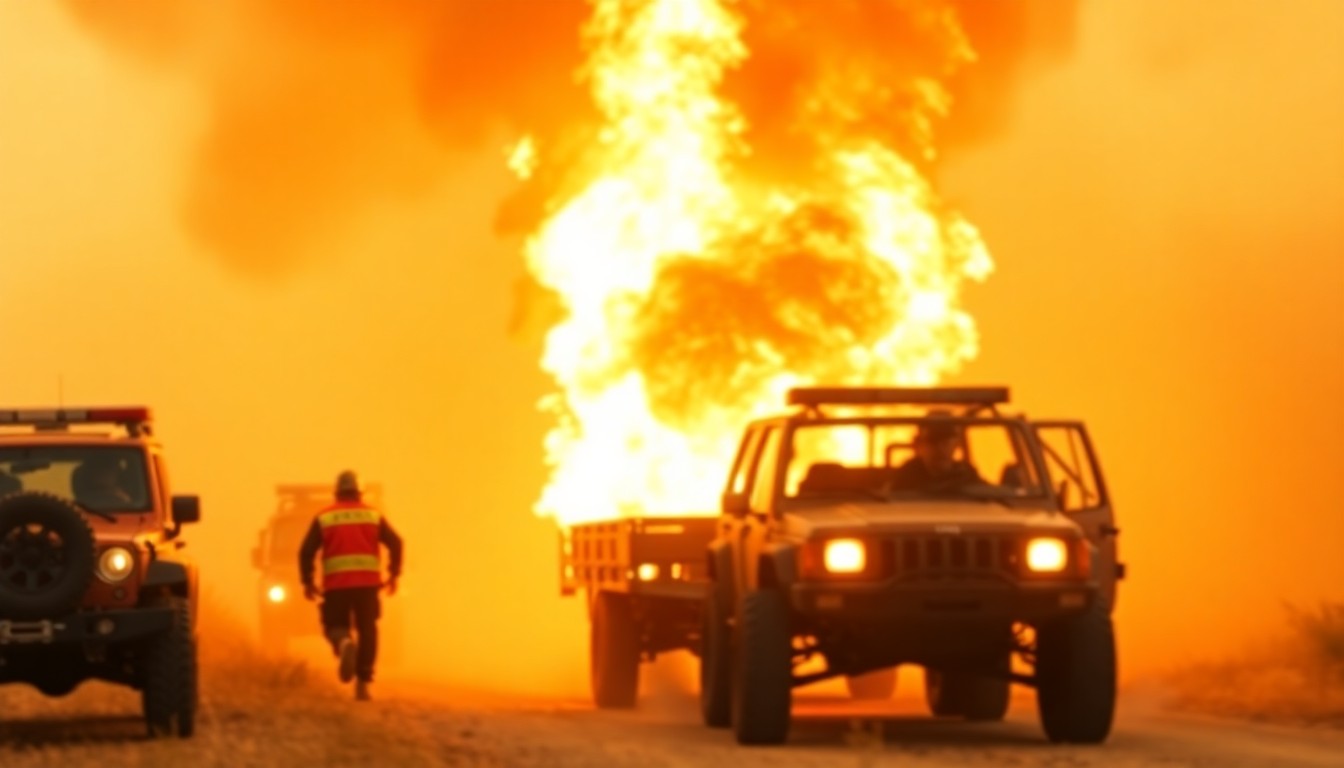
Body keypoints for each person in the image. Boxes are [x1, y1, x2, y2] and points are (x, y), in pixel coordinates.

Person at [298, 470, 403, 701]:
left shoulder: (324, 517)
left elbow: (305, 551)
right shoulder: (373, 515)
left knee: (334, 625)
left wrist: (307, 581)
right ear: (359, 493)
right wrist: (394, 574)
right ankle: (363, 685)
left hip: (336, 586)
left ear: (337, 493)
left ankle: (344, 641)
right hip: (367, 585)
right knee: (368, 630)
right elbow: (396, 543)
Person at [889, 413, 986, 493]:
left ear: (956, 444)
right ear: (918, 445)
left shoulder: (967, 476)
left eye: (946, 442)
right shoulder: (904, 479)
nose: (940, 449)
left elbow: (991, 497)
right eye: (933, 442)